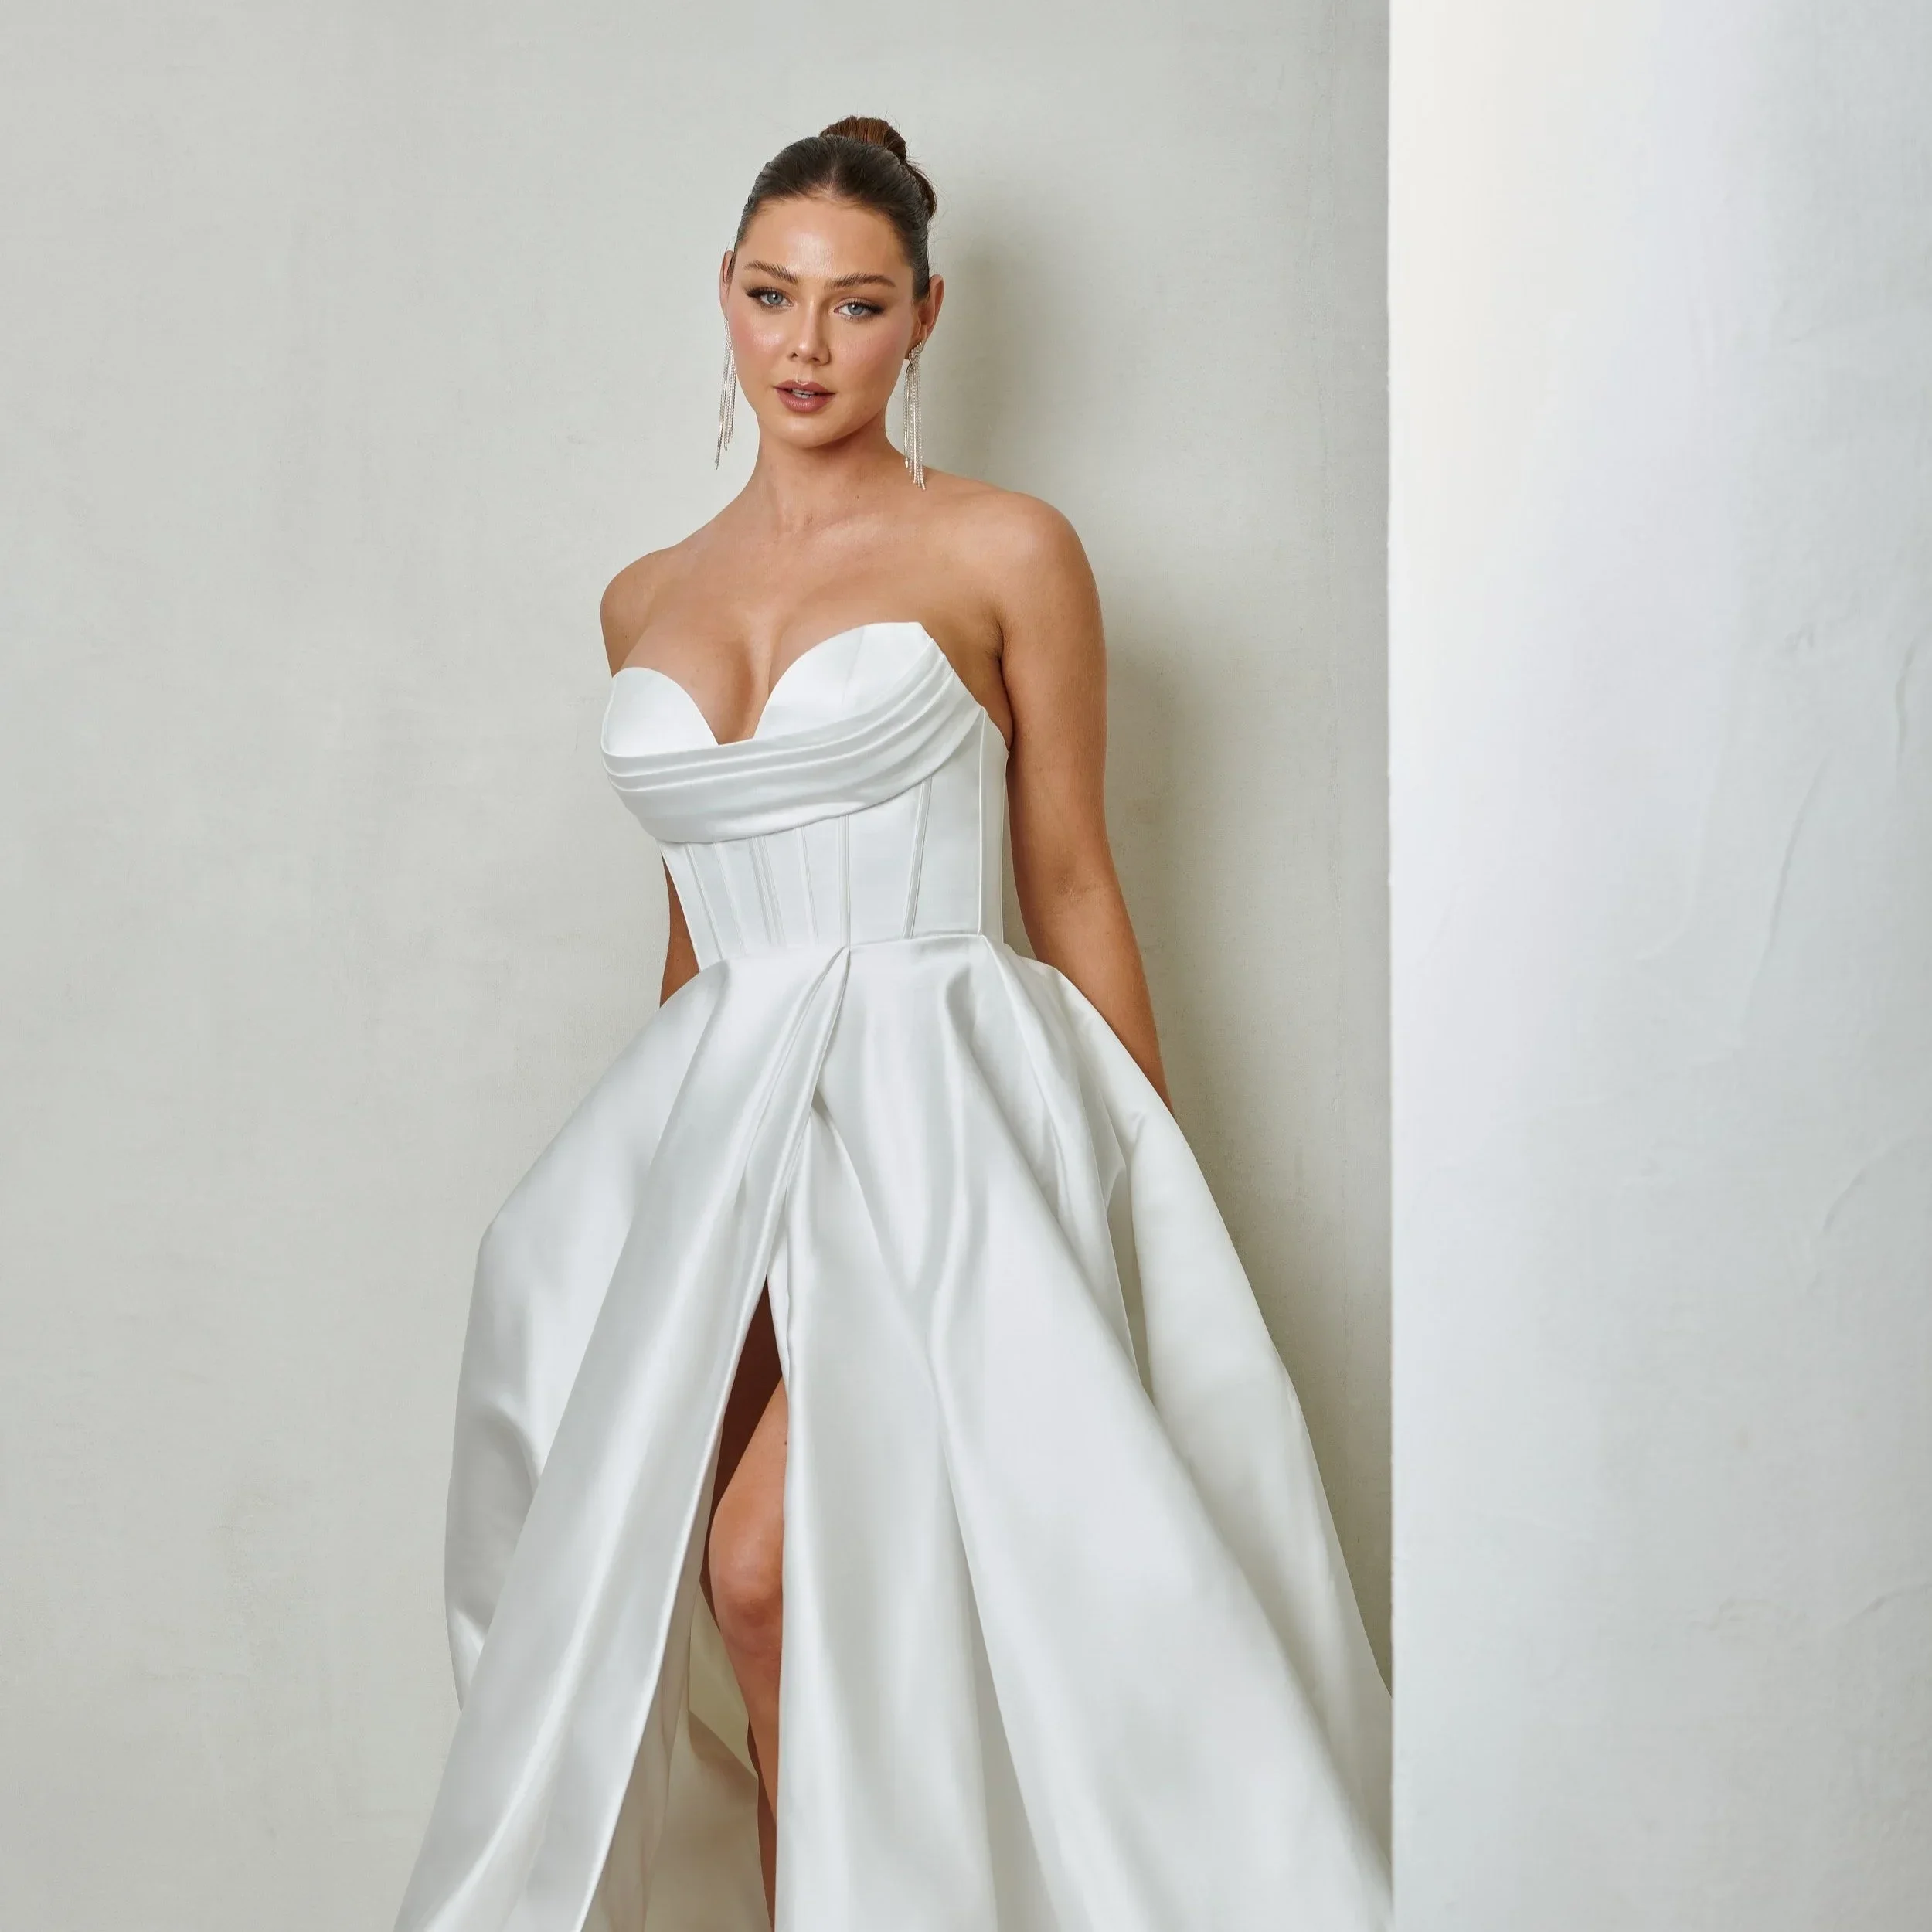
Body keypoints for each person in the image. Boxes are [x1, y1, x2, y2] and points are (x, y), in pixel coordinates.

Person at [394, 116, 1391, 1932]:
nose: (805, 344)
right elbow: (693, 946)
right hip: (718, 1127)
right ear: (723, 297)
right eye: (772, 296)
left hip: (939, 1116)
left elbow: (1074, 878)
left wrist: (1127, 1200)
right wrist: (655, 1218)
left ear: (922, 319)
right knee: (659, 1587)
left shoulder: (1009, 549)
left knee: (774, 1572)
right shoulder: (643, 594)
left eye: (855, 307)